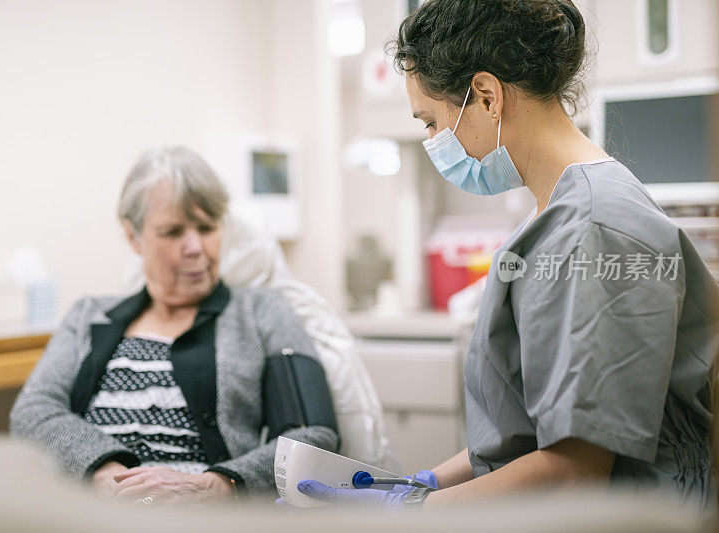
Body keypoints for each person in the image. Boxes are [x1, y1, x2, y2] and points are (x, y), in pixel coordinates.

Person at [295, 0, 719, 511]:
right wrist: (426, 482)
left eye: (431, 122)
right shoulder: (562, 214)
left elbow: (572, 471)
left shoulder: (592, 228)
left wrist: (411, 514)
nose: (432, 141)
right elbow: (524, 434)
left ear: (487, 95)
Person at [10, 146, 338, 506]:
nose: (196, 247)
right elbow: (32, 412)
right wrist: (105, 474)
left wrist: (212, 486)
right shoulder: (89, 316)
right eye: (172, 232)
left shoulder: (264, 314)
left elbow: (314, 436)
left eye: (207, 227)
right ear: (133, 236)